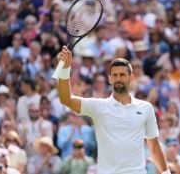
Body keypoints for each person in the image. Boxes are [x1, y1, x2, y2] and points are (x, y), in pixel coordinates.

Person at [56, 46, 169, 174]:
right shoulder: (98, 106)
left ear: (131, 77)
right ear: (110, 79)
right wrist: (65, 69)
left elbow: (154, 147)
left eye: (122, 75)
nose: (118, 78)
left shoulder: (146, 108)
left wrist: (166, 172)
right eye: (114, 75)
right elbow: (66, 99)